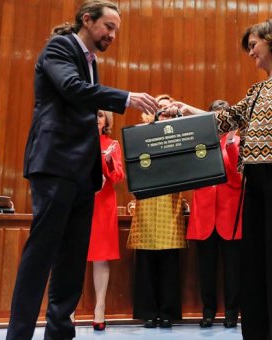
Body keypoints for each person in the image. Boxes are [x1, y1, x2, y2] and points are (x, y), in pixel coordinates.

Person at [6, 1, 158, 339]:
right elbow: (73, 90)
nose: (112, 35)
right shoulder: (59, 47)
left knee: (72, 258)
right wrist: (127, 97)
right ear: (86, 20)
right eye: (108, 26)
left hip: (82, 173)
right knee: (41, 254)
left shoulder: (92, 63)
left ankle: (60, 332)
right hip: (55, 164)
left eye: (116, 29)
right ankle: (18, 335)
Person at [169, 18, 272, 340]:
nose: (250, 52)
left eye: (253, 45)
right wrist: (184, 111)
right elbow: (225, 119)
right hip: (255, 181)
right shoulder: (257, 88)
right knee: (255, 264)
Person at [126, 110, 187, 329]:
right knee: (146, 261)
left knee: (169, 262)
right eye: (161, 112)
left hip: (170, 206)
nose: (164, 117)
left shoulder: (181, 139)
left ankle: (167, 313)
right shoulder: (143, 138)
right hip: (147, 205)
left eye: (169, 114)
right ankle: (148, 313)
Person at [186, 99, 242, 329]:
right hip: (204, 215)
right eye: (215, 115)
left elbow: (239, 178)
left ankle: (232, 313)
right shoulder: (199, 143)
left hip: (231, 215)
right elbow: (191, 174)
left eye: (223, 115)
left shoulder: (238, 140)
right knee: (206, 270)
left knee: (233, 270)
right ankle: (208, 312)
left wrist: (230, 145)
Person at [87, 110, 125, 331]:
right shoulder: (75, 140)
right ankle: (67, 310)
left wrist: (108, 162)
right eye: (92, 114)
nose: (96, 118)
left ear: (106, 121)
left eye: (100, 115)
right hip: (79, 203)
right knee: (73, 255)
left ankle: (99, 308)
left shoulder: (112, 144)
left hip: (102, 205)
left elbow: (118, 176)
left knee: (101, 257)